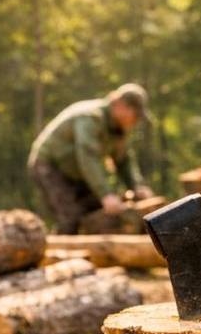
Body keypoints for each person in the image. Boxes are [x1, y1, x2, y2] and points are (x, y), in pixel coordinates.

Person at [27, 84, 153, 234]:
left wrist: (136, 186)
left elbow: (123, 161)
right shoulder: (90, 117)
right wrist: (105, 194)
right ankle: (60, 253)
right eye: (135, 114)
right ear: (120, 105)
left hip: (77, 172)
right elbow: (87, 156)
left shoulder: (118, 129)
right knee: (71, 217)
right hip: (49, 166)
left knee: (100, 214)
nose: (136, 121)